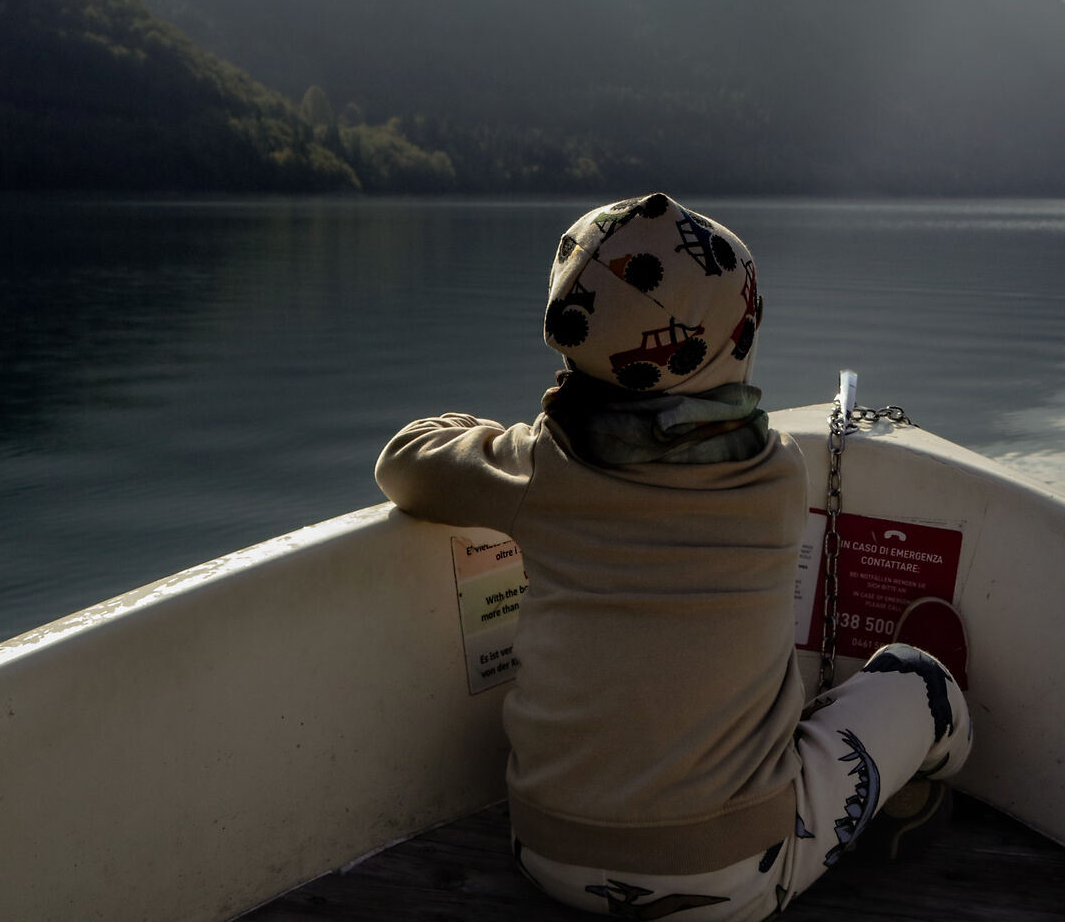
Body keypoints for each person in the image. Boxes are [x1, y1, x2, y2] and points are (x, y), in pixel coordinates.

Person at [375, 192, 973, 920]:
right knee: (918, 678)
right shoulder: (775, 473)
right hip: (728, 882)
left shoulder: (540, 470)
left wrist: (483, 433)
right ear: (733, 338)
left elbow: (403, 462)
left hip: (545, 854)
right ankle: (916, 780)